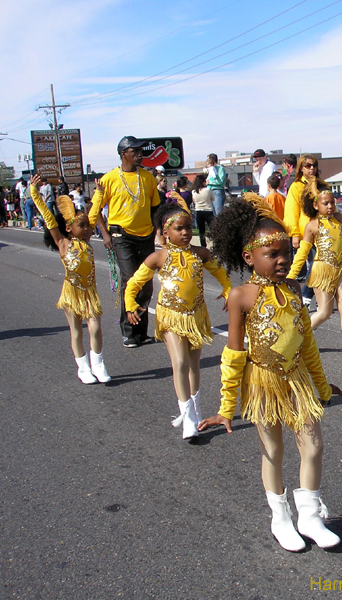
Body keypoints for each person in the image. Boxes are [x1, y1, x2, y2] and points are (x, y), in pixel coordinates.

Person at [199, 195, 342, 552]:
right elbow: (234, 354)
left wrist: (322, 386)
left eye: (286, 253)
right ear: (249, 257)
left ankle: (309, 516)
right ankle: (280, 519)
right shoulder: (240, 296)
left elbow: (307, 343)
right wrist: (226, 406)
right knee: (273, 450)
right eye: (272, 254)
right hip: (262, 383)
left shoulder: (294, 289)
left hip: (298, 380)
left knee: (314, 446)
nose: (282, 260)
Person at [124, 204, 231, 441]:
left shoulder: (200, 253)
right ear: (166, 232)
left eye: (188, 228)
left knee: (193, 365)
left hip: (196, 316)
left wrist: (227, 290)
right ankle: (188, 417)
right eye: (179, 229)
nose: (185, 233)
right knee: (180, 362)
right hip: (170, 316)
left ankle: (196, 409)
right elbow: (133, 283)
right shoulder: (158, 257)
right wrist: (130, 304)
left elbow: (221, 273)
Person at [28, 174, 111, 385]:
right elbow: (48, 217)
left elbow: (94, 212)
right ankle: (83, 368)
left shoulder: (87, 240)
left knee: (95, 328)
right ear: (68, 228)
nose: (87, 229)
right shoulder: (63, 243)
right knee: (76, 331)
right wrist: (34, 193)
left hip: (89, 291)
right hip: (71, 291)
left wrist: (99, 193)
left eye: (88, 226)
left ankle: (98, 364)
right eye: (82, 226)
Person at [88, 135, 161, 348]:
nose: (139, 154)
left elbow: (155, 208)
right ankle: (129, 332)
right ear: (123, 154)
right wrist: (105, 234)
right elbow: (95, 208)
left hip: (146, 236)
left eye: (140, 151)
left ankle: (141, 332)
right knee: (130, 281)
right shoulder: (109, 178)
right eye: (134, 151)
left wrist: (159, 232)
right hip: (122, 237)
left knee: (145, 284)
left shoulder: (147, 177)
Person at [290, 189, 342, 358]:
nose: (330, 206)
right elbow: (302, 253)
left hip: (341, 268)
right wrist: (291, 276)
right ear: (316, 205)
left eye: (332, 202)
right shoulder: (312, 226)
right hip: (322, 270)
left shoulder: (340, 219)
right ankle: (297, 338)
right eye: (325, 203)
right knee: (325, 312)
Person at [283, 154, 325, 305]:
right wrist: (294, 234)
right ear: (301, 168)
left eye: (314, 165)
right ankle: (306, 296)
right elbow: (291, 212)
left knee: (321, 265)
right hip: (307, 232)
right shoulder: (296, 187)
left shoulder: (322, 185)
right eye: (308, 166)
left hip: (324, 231)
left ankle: (316, 297)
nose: (312, 168)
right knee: (314, 264)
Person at [191, 172, 215, 248]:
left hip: (198, 211)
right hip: (208, 210)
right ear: (203, 182)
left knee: (201, 230)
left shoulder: (194, 191)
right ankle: (215, 242)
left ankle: (203, 245)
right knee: (212, 228)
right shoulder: (207, 190)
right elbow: (212, 199)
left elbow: (194, 201)